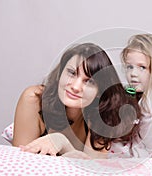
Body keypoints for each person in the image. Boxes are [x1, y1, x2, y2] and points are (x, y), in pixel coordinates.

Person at [12, 42, 141, 158]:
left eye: (89, 81)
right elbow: (21, 162)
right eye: (72, 73)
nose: (75, 87)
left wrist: (62, 143)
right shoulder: (34, 99)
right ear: (61, 73)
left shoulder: (102, 114)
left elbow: (91, 171)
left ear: (99, 91)